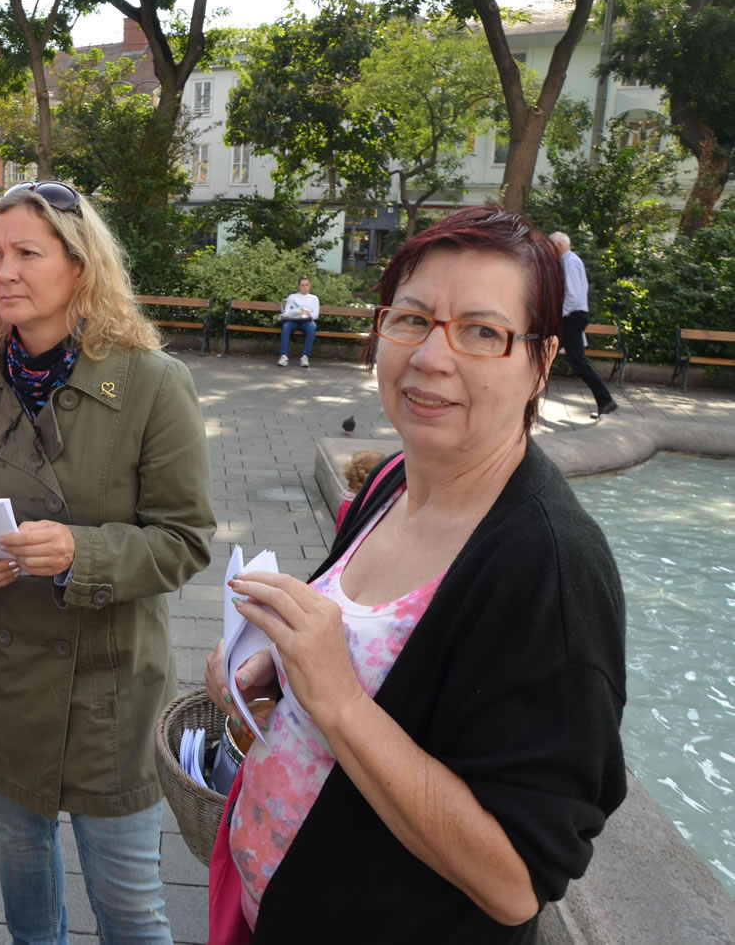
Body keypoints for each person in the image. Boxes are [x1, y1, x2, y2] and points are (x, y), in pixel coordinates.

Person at [205, 206, 627, 943]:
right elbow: (369, 657)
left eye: (482, 331)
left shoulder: (548, 571)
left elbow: (515, 882)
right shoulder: (393, 478)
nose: (432, 357)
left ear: (542, 362)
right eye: (412, 319)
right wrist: (281, 668)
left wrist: (336, 698)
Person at [0, 180, 217, 943]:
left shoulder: (154, 382)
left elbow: (185, 538)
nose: (4, 272)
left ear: (80, 265)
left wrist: (79, 552)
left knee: (128, 904)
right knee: (23, 866)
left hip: (109, 692)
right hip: (4, 681)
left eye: (27, 252)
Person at [549, 231, 617, 417]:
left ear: (558, 247)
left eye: (551, 246)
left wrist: (558, 316)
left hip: (571, 317)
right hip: (573, 317)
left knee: (563, 359)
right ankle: (605, 401)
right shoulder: (568, 261)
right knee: (549, 356)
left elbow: (572, 295)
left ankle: (606, 400)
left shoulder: (569, 263)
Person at [277, 275, 319, 368]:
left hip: (307, 321)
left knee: (312, 327)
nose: (305, 287)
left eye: (307, 285)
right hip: (293, 321)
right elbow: (287, 312)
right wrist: (297, 312)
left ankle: (305, 357)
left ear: (310, 286)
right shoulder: (292, 297)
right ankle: (284, 356)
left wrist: (308, 314)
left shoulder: (314, 298)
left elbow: (316, 315)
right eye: (302, 285)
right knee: (286, 326)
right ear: (299, 286)